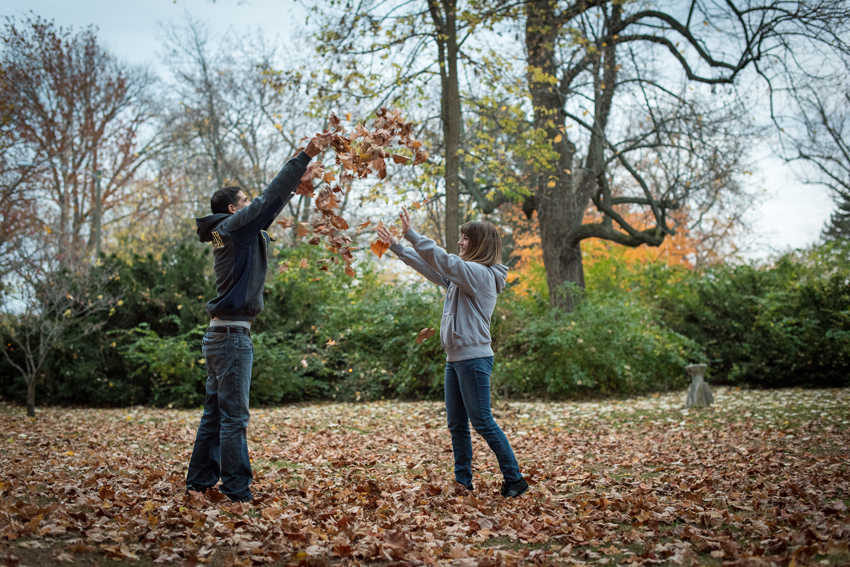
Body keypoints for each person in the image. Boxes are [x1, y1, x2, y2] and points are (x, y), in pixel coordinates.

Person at [188, 132, 333, 502]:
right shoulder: (235, 227)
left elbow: (266, 208)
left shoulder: (230, 229)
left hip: (220, 334)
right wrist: (303, 156)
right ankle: (237, 490)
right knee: (234, 417)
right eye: (245, 201)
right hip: (232, 338)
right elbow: (266, 202)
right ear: (236, 209)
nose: (250, 204)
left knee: (215, 414)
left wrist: (294, 186)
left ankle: (199, 482)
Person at [377, 209, 528, 498]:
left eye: (465, 238)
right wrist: (397, 247)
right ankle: (463, 481)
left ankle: (515, 479)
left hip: (474, 359)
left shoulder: (480, 275)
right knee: (457, 424)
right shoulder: (464, 276)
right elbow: (432, 267)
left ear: (479, 243)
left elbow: (443, 260)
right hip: (456, 359)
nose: (459, 242)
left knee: (482, 421)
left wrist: (411, 233)